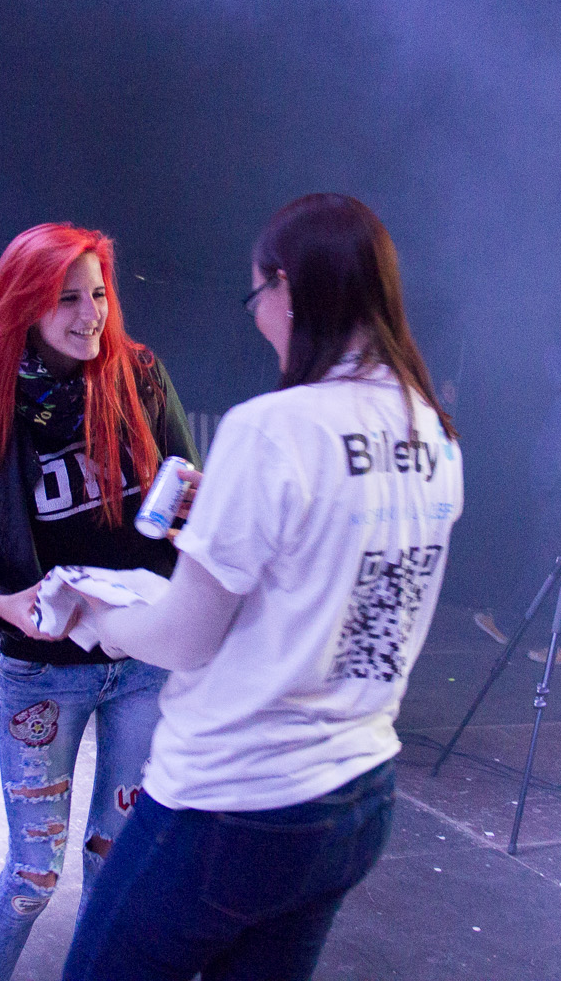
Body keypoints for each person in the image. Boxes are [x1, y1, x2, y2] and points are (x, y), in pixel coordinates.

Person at [57, 193, 463, 981]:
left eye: (256, 299)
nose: (260, 322)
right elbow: (345, 576)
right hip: (355, 795)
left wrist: (103, 615)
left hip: (232, 804)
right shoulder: (432, 431)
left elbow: (183, 637)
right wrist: (231, 516)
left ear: (287, 288)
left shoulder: (272, 429)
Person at [0, 223, 197, 981]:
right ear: (26, 305)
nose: (91, 315)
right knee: (32, 879)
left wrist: (192, 513)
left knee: (115, 875)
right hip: (44, 674)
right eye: (68, 299)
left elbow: (189, 495)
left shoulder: (140, 377)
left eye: (99, 295)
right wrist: (6, 604)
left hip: (142, 665)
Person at [473, 341, 561, 666]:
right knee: (559, 565)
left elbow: (555, 450)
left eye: (551, 366)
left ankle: (547, 638)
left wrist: (540, 486)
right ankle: (524, 629)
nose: (547, 373)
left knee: (552, 564)